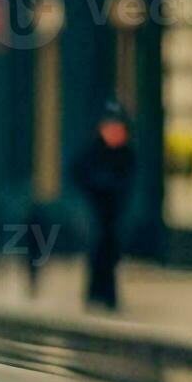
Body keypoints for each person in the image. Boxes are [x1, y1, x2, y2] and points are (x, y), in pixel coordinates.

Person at [73, 102, 135, 310]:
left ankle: (108, 294)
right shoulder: (93, 151)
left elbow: (129, 178)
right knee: (97, 249)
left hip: (115, 212)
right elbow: (79, 173)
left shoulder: (124, 153)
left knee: (112, 251)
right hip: (95, 211)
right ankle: (95, 293)